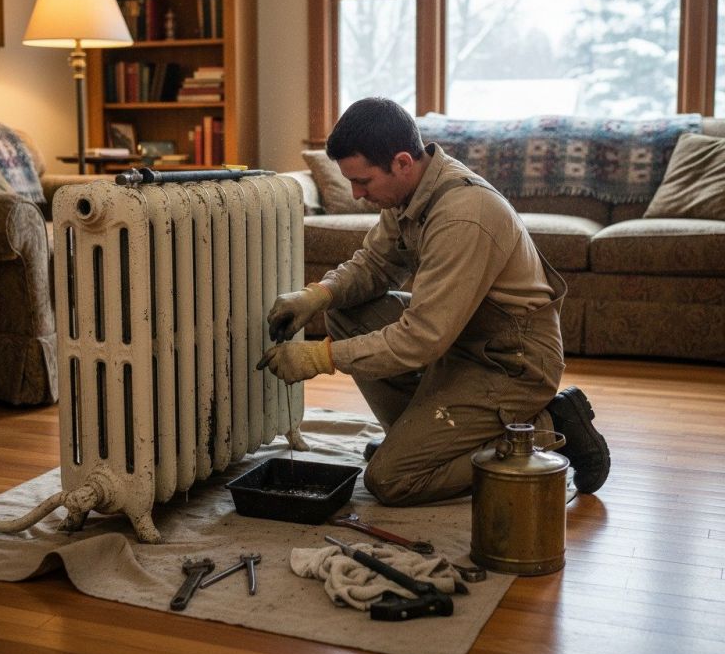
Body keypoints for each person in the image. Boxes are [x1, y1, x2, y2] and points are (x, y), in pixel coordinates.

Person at [258, 97, 610, 506]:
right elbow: (375, 264)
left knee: (392, 479)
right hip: (460, 342)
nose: (356, 195)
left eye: (364, 182)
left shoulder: (463, 215)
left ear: (403, 162)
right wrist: (316, 295)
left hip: (510, 362)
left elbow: (421, 339)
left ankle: (549, 425)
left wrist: (319, 358)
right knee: (345, 311)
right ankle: (421, 438)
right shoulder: (409, 193)